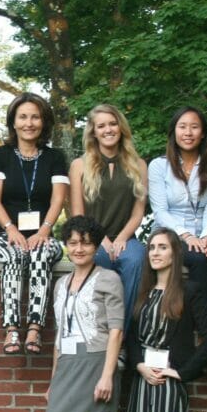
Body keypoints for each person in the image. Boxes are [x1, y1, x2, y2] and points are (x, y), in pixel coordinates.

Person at [148, 106, 207, 361]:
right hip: (169, 234)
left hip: (202, 233)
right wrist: (187, 236)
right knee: (198, 260)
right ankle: (205, 332)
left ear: (203, 134)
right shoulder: (158, 166)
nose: (188, 132)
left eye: (194, 127)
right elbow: (160, 210)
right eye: (182, 126)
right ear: (174, 131)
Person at [0, 93, 68, 356]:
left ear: (44, 122)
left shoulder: (54, 157)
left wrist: (44, 230)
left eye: (35, 117)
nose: (29, 123)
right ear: (13, 122)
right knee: (15, 255)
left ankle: (34, 327)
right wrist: (10, 228)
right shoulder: (0, 155)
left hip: (42, 236)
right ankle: (11, 328)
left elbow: (58, 200)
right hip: (4, 234)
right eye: (23, 117)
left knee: (40, 253)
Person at [43, 216, 125, 412]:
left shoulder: (109, 279)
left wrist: (107, 376)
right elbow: (60, 335)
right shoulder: (61, 284)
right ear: (66, 246)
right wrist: (52, 381)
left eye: (86, 243)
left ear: (96, 246)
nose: (79, 249)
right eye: (73, 243)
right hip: (67, 366)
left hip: (96, 364)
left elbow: (116, 331)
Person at [126, 227, 207, 412]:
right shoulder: (143, 292)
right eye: (151, 248)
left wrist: (181, 372)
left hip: (170, 379)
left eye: (162, 247)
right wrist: (139, 365)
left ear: (175, 253)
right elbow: (132, 337)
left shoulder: (190, 291)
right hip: (142, 378)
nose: (155, 252)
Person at [68, 104, 147, 323]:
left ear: (121, 128)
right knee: (98, 260)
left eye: (113, 124)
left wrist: (121, 238)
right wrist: (101, 239)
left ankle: (122, 333)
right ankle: (100, 331)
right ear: (93, 131)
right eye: (101, 126)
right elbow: (77, 213)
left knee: (136, 260)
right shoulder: (79, 165)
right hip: (91, 238)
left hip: (126, 237)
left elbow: (138, 212)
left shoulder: (138, 165)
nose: (108, 130)